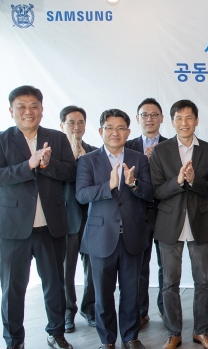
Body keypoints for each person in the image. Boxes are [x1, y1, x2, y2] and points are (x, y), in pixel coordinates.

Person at [0, 85, 76, 349]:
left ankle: (56, 333)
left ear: (42, 110)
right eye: (21, 106)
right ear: (11, 110)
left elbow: (71, 172)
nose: (28, 111)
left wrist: (47, 164)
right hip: (12, 230)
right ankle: (14, 340)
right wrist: (29, 165)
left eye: (34, 106)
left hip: (50, 227)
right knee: (13, 290)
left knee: (54, 285)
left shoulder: (56, 139)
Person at [76, 109, 153, 349]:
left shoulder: (139, 159)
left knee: (131, 292)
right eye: (110, 127)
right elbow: (81, 195)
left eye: (121, 128)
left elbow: (150, 193)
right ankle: (107, 340)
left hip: (132, 236)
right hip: (101, 238)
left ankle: (130, 337)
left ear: (129, 132)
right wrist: (107, 186)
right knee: (103, 295)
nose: (115, 132)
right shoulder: (88, 160)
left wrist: (133, 184)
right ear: (101, 131)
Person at [150, 100, 208, 349]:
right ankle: (173, 332)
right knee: (170, 282)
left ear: (197, 120)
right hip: (169, 225)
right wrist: (179, 181)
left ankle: (201, 331)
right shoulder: (160, 151)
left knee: (202, 281)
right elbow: (157, 191)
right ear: (172, 122)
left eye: (189, 118)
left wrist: (194, 180)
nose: (184, 123)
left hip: (199, 222)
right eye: (179, 118)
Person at [125, 98, 168, 324]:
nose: (149, 119)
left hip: (164, 214)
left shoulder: (171, 145)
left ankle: (165, 309)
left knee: (166, 266)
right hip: (136, 216)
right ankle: (140, 312)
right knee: (138, 266)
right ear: (137, 118)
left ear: (161, 118)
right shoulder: (127, 146)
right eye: (145, 114)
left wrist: (156, 162)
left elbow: (175, 180)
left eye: (154, 114)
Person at [59, 106, 98, 333]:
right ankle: (67, 312)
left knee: (93, 267)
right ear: (62, 125)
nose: (76, 126)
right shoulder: (52, 154)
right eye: (71, 122)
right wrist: (72, 161)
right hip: (66, 219)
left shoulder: (93, 152)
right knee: (66, 269)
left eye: (80, 122)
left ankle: (89, 308)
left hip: (92, 219)